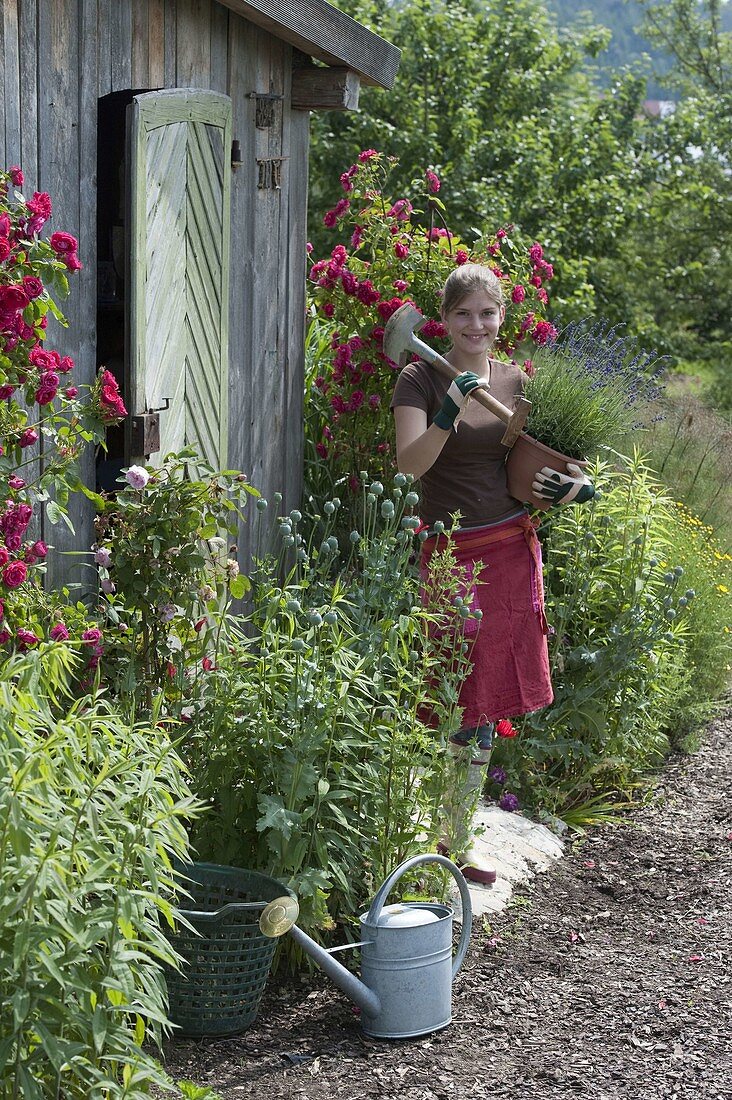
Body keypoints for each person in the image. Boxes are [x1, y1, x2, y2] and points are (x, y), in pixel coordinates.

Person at [391, 264, 593, 884]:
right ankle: (434, 833)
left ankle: (457, 837)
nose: (475, 325)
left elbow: (553, 459)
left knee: (487, 703)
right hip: (451, 555)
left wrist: (578, 486)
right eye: (462, 314)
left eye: (487, 313)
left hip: (510, 547)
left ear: (501, 316)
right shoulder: (420, 378)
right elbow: (409, 466)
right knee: (453, 695)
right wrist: (449, 410)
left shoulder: (516, 380)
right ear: (443, 320)